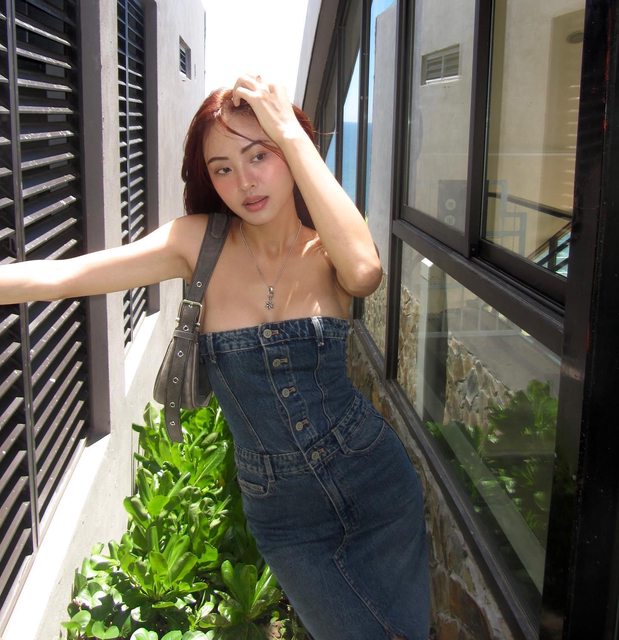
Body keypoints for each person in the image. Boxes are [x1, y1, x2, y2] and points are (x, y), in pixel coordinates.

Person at [0, 75, 430, 639]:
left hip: (375, 479)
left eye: (259, 156)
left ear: (291, 153)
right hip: (285, 515)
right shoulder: (195, 243)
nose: (244, 182)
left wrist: (289, 131)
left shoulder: (328, 248)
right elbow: (64, 276)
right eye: (222, 168)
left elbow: (366, 273)